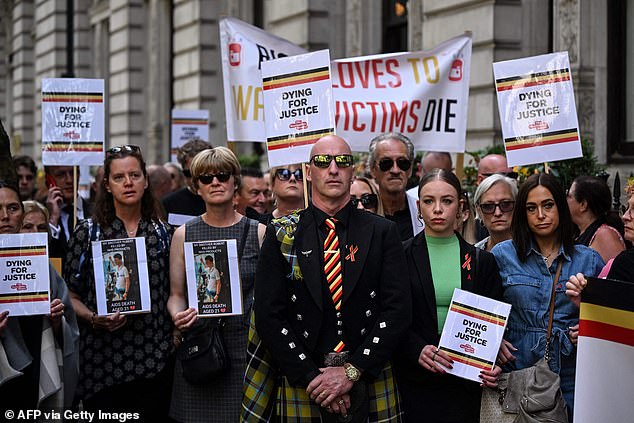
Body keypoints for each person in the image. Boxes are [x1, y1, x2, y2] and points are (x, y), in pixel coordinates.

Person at [252, 135, 411, 421]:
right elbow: (268, 315)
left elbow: (398, 309)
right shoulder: (281, 233)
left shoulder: (382, 231)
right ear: (309, 172)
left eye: (343, 161)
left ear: (353, 172)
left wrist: (352, 371)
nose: (333, 168)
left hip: (368, 372)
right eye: (323, 161)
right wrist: (312, 379)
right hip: (304, 378)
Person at [63, 145, 174, 420]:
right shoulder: (88, 232)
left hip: (156, 365)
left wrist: (176, 335)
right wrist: (92, 318)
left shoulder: (163, 232)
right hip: (103, 366)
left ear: (146, 181)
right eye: (119, 177)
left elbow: (175, 291)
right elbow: (69, 294)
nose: (128, 183)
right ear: (107, 185)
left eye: (135, 175)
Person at [491, 173, 604, 420]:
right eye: (531, 208)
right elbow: (485, 311)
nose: (540, 215)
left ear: (561, 208)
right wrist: (494, 340)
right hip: (519, 369)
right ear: (523, 213)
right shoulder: (503, 255)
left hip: (570, 374)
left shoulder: (589, 259)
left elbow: (609, 324)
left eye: (548, 205)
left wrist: (586, 328)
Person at [395, 169, 503, 423]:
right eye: (429, 201)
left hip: (466, 384)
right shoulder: (400, 255)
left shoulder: (482, 261)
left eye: (447, 200)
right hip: (414, 380)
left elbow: (494, 324)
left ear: (461, 206)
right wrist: (416, 349)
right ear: (419, 207)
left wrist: (492, 361)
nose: (438, 209)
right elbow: (391, 313)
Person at [168, 146, 264, 422]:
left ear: (235, 182)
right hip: (202, 348)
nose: (215, 183)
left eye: (222, 175)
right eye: (206, 178)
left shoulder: (258, 232)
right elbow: (176, 294)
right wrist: (178, 315)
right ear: (196, 186)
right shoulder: (183, 234)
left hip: (246, 350)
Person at [0, 181, 80, 413]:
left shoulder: (42, 264)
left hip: (36, 369)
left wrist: (57, 321)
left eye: (13, 208)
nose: (5, 216)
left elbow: (69, 329)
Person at [369, 132, 422, 241]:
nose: (395, 170)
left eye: (402, 163)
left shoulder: (424, 212)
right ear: (373, 169)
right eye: (386, 163)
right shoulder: (362, 211)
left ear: (410, 169)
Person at [567, 176, 625, 263]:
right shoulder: (578, 231)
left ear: (583, 205)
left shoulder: (605, 235)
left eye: (569, 196)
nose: (566, 200)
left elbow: (619, 272)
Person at [44, 165, 92, 261]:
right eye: (61, 174)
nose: (69, 180)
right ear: (49, 180)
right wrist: (53, 220)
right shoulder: (42, 216)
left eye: (73, 173)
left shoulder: (96, 212)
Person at [162, 139, 212, 225]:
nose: (194, 179)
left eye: (201, 173)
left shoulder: (220, 199)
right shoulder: (169, 203)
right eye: (189, 173)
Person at [473, 174, 518, 251]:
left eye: (505, 204)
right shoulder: (473, 256)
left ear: (517, 206)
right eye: (488, 206)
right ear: (479, 211)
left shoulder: (536, 250)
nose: (498, 213)